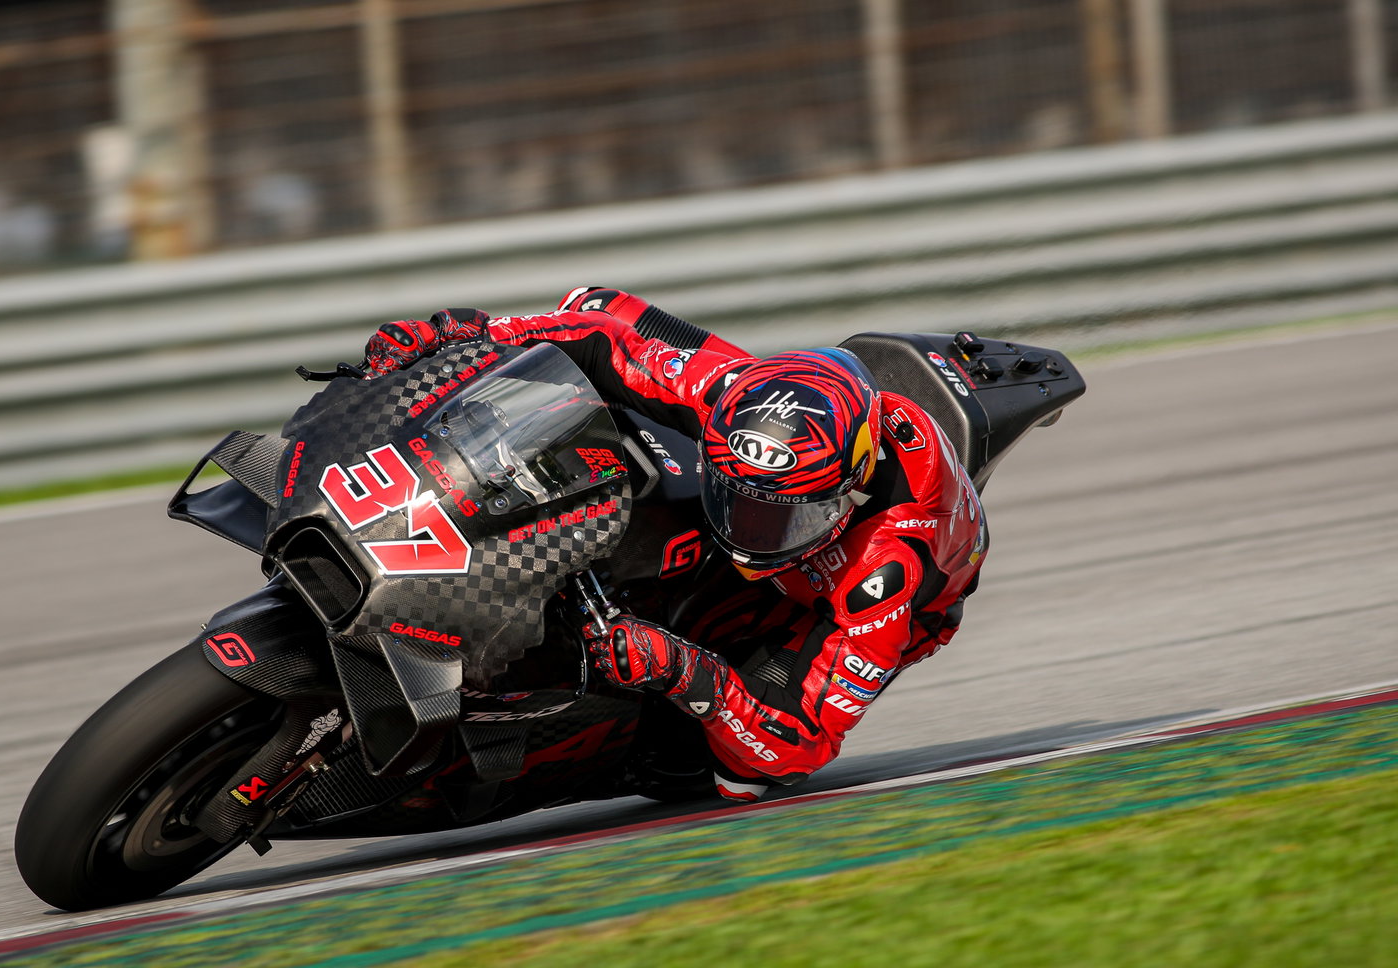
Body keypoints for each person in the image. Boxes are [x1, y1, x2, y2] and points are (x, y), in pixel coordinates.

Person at [361, 287, 987, 802]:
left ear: (844, 498)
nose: (748, 533)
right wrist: (458, 333)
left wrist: (689, 672)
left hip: (820, 599)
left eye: (778, 518)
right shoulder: (726, 392)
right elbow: (602, 324)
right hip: (792, 447)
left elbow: (797, 745)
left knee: (732, 775)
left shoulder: (888, 568)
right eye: (737, 500)